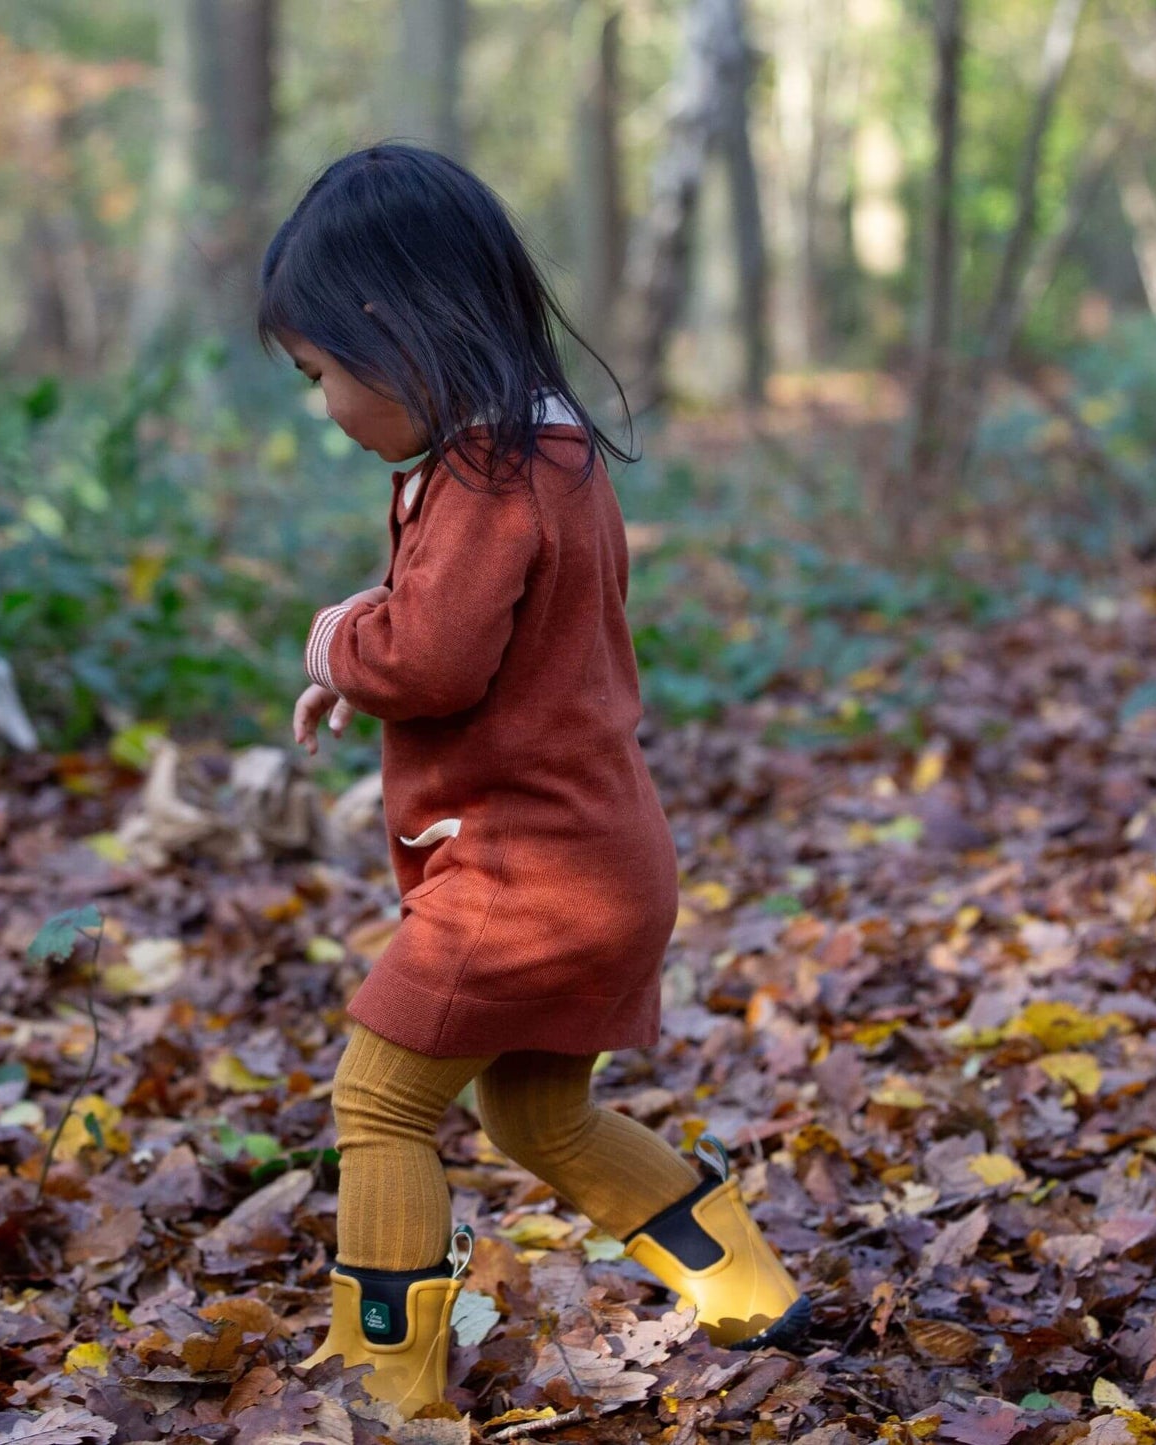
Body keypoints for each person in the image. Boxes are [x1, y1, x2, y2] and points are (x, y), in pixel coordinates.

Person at [258, 143, 808, 1417]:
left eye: (320, 372)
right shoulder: (544, 456)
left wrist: (337, 640)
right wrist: (371, 649)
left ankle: (386, 1389)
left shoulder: (486, 475)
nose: (324, 405)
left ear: (391, 329)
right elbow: (485, 645)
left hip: (520, 877)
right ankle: (751, 1294)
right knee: (539, 1118)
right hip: (600, 858)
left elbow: (432, 657)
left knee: (378, 1102)